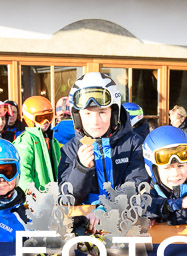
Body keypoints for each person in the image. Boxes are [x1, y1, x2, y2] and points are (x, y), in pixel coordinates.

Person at [58, 72, 147, 205]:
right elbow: (67, 199)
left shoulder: (134, 144)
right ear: (77, 116)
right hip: (86, 223)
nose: (95, 122)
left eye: (102, 112)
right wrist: (81, 168)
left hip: (124, 220)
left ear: (114, 113)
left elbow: (136, 187)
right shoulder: (70, 150)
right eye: (87, 113)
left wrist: (106, 208)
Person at [142, 126, 187, 225]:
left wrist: (163, 218)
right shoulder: (148, 185)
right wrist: (170, 206)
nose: (175, 173)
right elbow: (141, 205)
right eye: (167, 168)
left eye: (180, 166)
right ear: (153, 170)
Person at [13, 96, 61, 193]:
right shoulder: (26, 140)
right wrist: (30, 191)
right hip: (36, 196)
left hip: (53, 194)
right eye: (40, 119)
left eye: (48, 117)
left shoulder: (52, 140)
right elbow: (23, 169)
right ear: (30, 119)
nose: (45, 122)